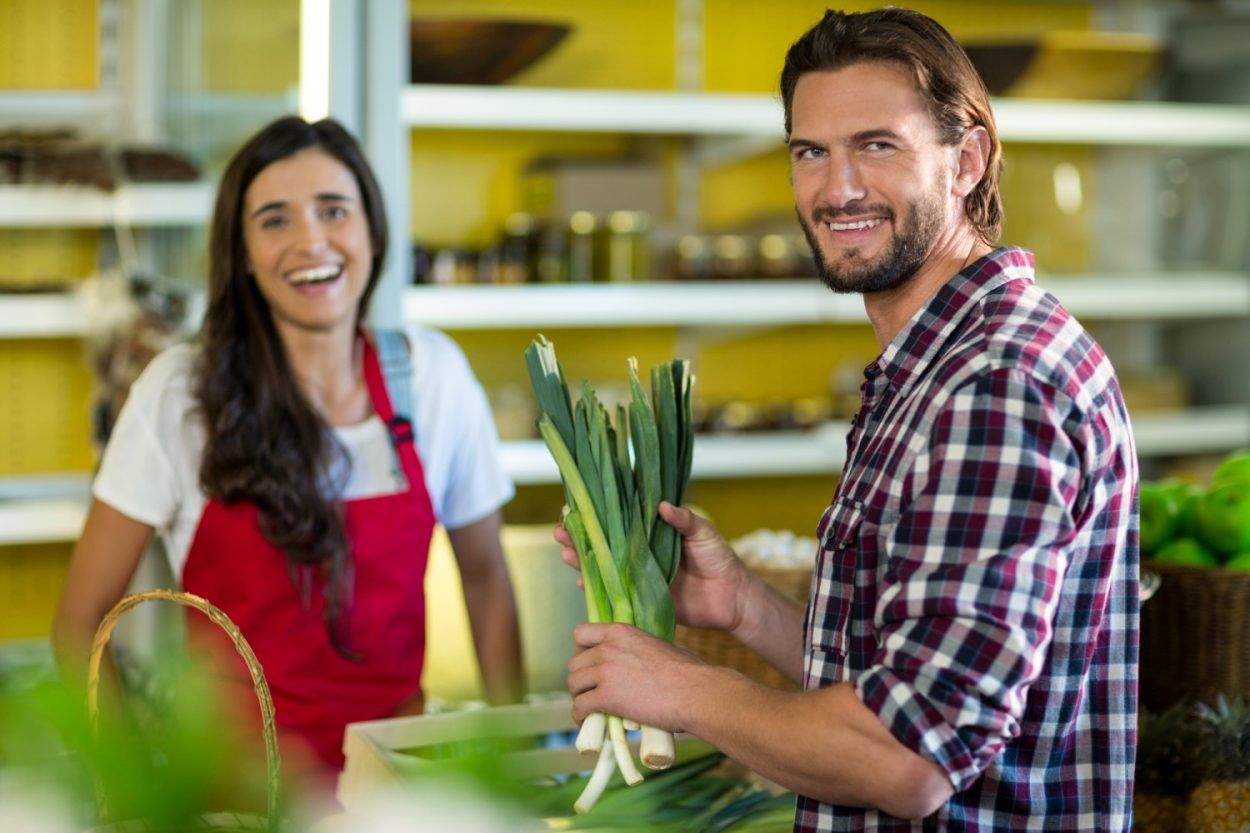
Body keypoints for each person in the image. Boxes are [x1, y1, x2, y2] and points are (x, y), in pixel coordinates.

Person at [562, 8, 1137, 831]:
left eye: (877, 145)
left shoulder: (995, 382)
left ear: (966, 159)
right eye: (810, 152)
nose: (838, 190)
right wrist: (742, 606)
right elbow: (904, 679)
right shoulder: (933, 363)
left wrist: (678, 687)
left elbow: (908, 758)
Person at [53, 116, 523, 791]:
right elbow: (81, 623)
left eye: (334, 210)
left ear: (371, 229)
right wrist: (144, 790)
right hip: (235, 801)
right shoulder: (181, 392)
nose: (311, 240)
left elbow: (486, 583)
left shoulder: (433, 376)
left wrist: (510, 772)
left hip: (398, 795)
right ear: (241, 251)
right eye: (274, 219)